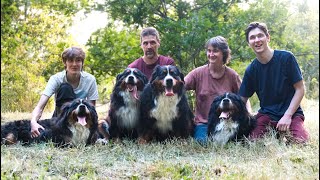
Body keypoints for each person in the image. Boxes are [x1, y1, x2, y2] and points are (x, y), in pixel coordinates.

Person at [239, 22, 309, 144]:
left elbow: (300, 89)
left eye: (260, 35)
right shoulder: (251, 70)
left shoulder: (286, 58)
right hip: (267, 115)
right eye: (252, 37)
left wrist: (287, 116)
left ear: (268, 37)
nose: (257, 40)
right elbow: (241, 99)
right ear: (248, 43)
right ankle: (276, 133)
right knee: (252, 143)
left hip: (291, 114)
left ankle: (287, 132)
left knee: (301, 142)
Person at [184, 36, 246, 144]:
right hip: (204, 123)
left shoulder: (232, 75)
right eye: (209, 51)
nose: (211, 54)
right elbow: (179, 88)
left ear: (224, 53)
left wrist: (248, 112)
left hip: (228, 121)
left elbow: (243, 96)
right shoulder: (197, 73)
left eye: (215, 51)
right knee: (203, 143)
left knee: (237, 143)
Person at [30, 46, 99, 138]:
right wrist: (33, 122)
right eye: (70, 60)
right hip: (62, 118)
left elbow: (91, 109)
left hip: (83, 117)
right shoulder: (56, 79)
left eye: (78, 60)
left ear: (82, 63)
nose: (74, 64)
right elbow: (40, 106)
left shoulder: (90, 79)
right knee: (65, 88)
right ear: (65, 63)